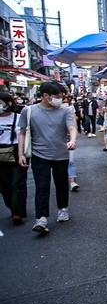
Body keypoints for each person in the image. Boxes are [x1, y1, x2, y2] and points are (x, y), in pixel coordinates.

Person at [18, 81, 77, 234]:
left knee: (61, 184)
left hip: (61, 154)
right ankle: (41, 218)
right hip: (39, 154)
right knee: (41, 186)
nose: (60, 100)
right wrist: (20, 154)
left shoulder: (65, 111)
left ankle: (62, 208)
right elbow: (22, 132)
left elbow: (72, 127)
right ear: (45, 95)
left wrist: (72, 140)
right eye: (57, 97)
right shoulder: (29, 111)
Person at [0, 92, 28, 226]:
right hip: (0, 153)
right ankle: (13, 206)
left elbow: (23, 134)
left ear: (8, 103)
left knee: (18, 182)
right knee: (4, 185)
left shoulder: (17, 118)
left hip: (17, 150)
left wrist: (22, 153)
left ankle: (18, 212)